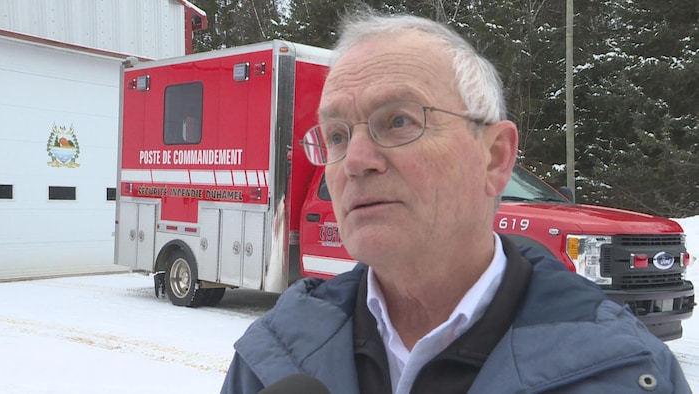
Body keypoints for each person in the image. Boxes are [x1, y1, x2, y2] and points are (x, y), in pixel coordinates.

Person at [221, 10, 690, 394]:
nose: (355, 161)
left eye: (399, 120)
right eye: (337, 135)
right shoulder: (271, 357)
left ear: (495, 157)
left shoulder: (624, 372)